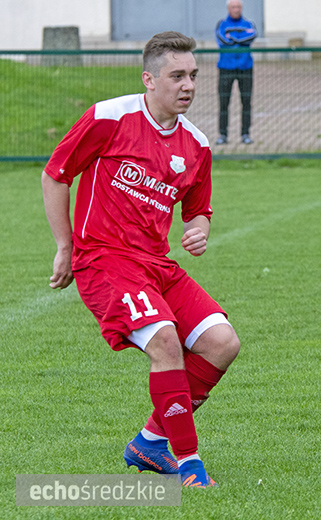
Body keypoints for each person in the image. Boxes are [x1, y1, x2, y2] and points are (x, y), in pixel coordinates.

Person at [42, 31, 241, 488]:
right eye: (177, 76)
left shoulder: (196, 144)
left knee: (221, 343)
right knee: (166, 344)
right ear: (149, 80)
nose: (187, 85)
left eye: (192, 75)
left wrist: (199, 232)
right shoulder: (109, 117)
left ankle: (151, 441)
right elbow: (56, 175)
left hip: (157, 264)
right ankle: (189, 463)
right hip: (104, 260)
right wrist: (65, 246)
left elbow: (199, 209)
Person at [215, 0, 257, 145]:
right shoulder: (222, 24)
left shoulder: (249, 23)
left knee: (246, 102)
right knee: (223, 102)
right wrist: (239, 39)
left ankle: (245, 134)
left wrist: (232, 38)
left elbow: (251, 37)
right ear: (228, 8)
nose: (236, 9)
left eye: (238, 7)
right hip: (226, 68)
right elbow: (223, 40)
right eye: (233, 7)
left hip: (245, 67)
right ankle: (223, 135)